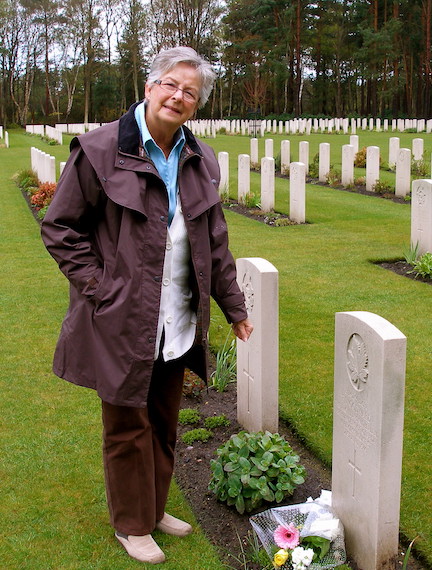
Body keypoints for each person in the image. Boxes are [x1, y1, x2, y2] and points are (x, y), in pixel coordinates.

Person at [41, 46, 253, 565]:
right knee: (126, 425)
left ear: (196, 105)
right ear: (150, 86)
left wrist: (234, 305)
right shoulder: (99, 149)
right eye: (171, 85)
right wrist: (101, 287)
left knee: (163, 419)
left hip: (177, 317)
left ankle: (153, 508)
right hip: (121, 319)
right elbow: (61, 227)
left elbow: (215, 240)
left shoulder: (199, 160)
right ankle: (131, 525)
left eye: (190, 93)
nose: (178, 97)